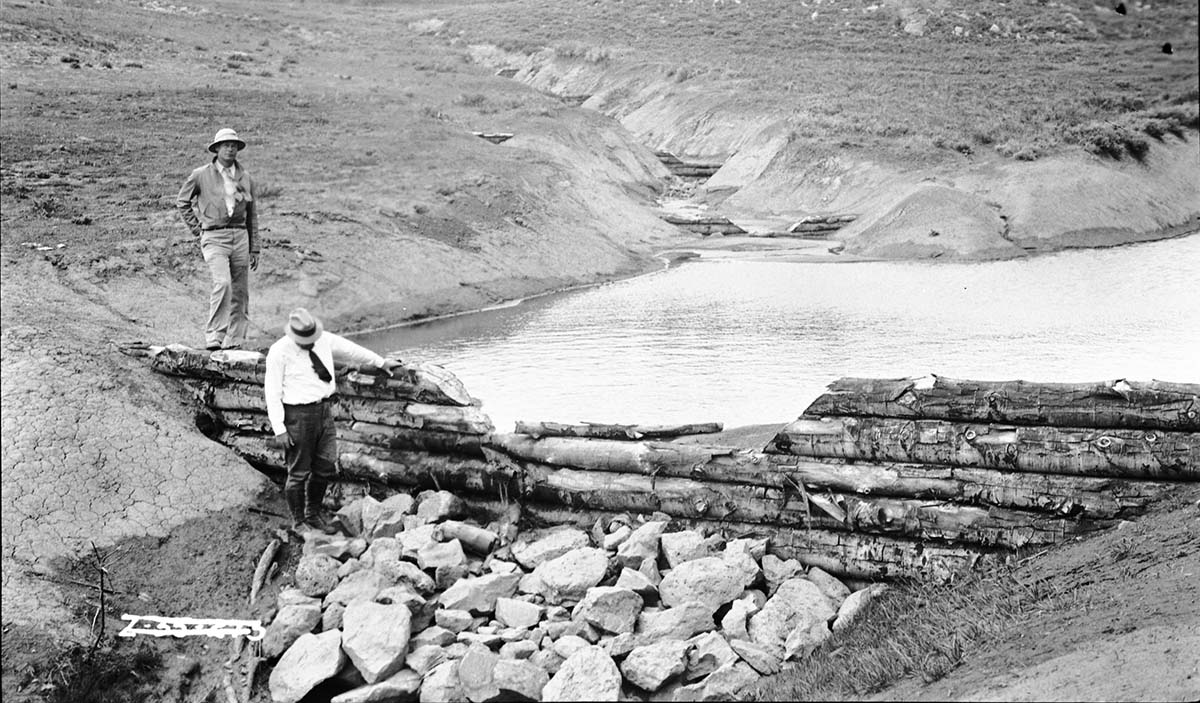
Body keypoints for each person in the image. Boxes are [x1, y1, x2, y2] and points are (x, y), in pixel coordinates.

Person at [264, 308, 402, 534]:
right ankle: (298, 522)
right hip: (297, 416)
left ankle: (313, 514)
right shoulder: (279, 351)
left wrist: (380, 362)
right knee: (298, 472)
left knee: (325, 465)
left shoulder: (323, 339)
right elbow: (272, 392)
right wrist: (279, 428)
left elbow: (350, 350)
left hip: (323, 411)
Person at [176, 128, 260, 351]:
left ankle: (236, 339)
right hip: (214, 236)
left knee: (240, 290)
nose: (230, 149)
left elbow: (252, 214)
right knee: (222, 283)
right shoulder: (201, 174)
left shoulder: (246, 177)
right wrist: (198, 230)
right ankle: (214, 334)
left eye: (234, 145)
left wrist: (255, 248)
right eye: (226, 145)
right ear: (216, 149)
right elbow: (182, 202)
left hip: (240, 235)